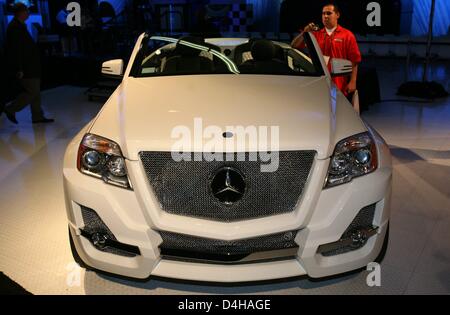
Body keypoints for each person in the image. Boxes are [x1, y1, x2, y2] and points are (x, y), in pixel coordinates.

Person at [291, 3, 361, 97]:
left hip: (339, 84)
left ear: (337, 15)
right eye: (323, 13)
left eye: (329, 13)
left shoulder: (347, 35)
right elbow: (294, 45)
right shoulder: (315, 35)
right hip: (317, 82)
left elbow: (354, 60)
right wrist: (305, 32)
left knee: (337, 109)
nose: (325, 16)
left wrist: (353, 81)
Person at [2, 3, 54, 124]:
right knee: (32, 91)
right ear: (20, 12)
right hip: (26, 66)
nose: (28, 13)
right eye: (26, 11)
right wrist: (19, 68)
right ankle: (11, 108)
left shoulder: (19, 26)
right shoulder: (15, 27)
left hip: (30, 65)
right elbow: (15, 50)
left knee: (35, 92)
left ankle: (37, 116)